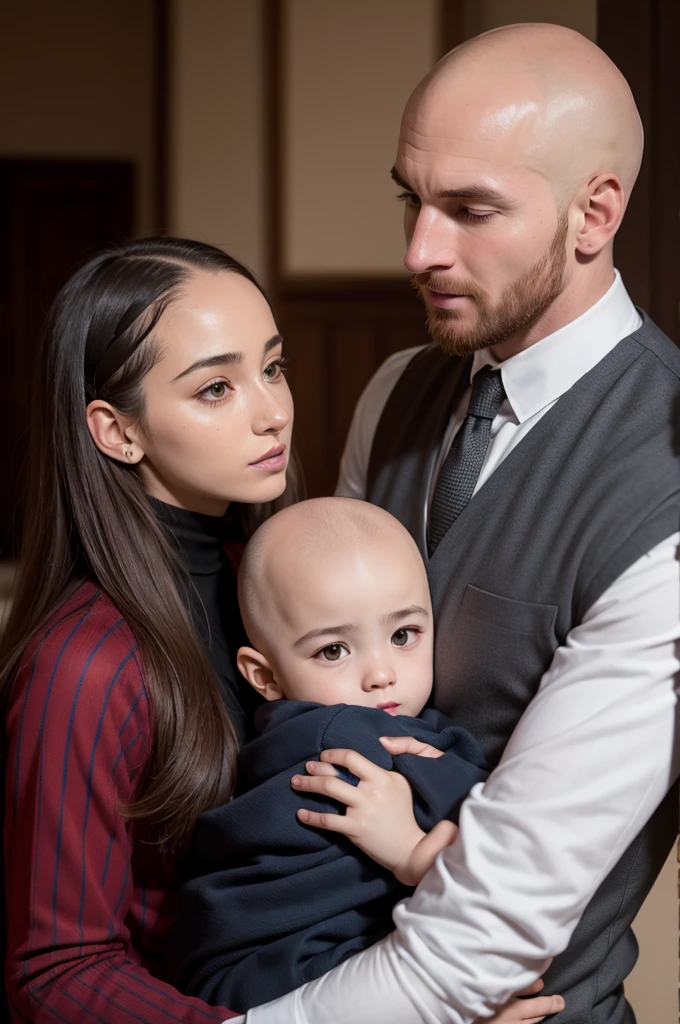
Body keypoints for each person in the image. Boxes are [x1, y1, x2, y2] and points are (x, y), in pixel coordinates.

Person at [242, 23, 680, 1024]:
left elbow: (487, 932)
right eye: (411, 197)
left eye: (470, 210)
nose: (417, 251)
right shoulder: (396, 390)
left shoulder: (662, 487)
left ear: (592, 213)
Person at [1, 236, 297, 1023]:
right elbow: (58, 969)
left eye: (272, 367)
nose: (273, 412)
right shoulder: (86, 664)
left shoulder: (268, 580)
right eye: (215, 390)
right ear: (116, 431)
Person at [166, 497, 502, 1012]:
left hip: (225, 970)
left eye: (403, 635)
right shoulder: (349, 739)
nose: (381, 673)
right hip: (279, 977)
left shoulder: (291, 729)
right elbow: (503, 839)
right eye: (334, 651)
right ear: (266, 677)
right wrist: (415, 854)